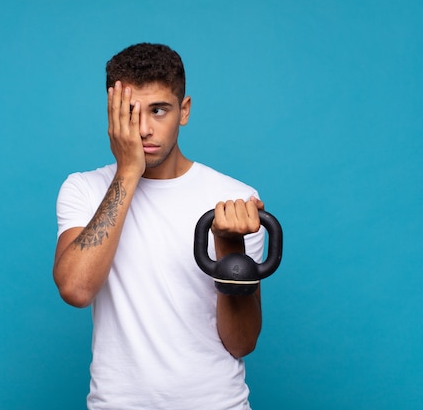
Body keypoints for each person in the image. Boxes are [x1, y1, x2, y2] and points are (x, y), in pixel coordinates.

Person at [53, 43, 266, 410]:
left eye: (159, 110)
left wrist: (229, 247)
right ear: (112, 112)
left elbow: (241, 343)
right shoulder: (84, 189)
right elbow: (76, 289)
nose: (145, 129)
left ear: (183, 111)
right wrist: (128, 171)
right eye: (131, 112)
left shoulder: (235, 199)